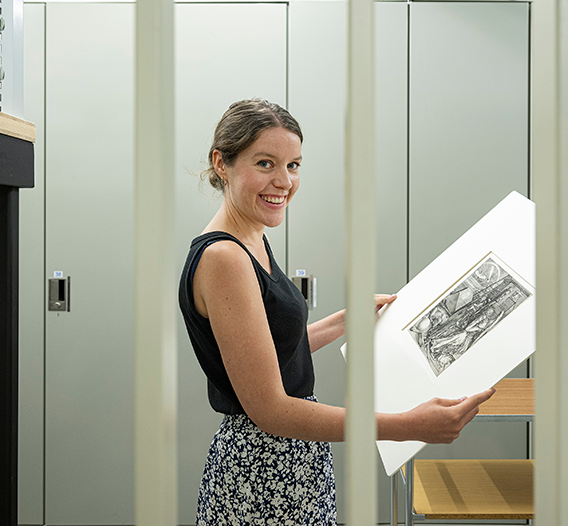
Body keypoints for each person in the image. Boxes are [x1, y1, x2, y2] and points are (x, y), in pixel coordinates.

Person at [178, 99, 495, 526]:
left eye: (294, 165)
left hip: (289, 461)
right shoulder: (225, 257)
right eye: (266, 163)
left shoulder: (250, 236)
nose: (284, 181)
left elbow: (265, 356)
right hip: (264, 473)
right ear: (222, 163)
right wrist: (408, 425)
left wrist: (345, 322)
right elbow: (270, 407)